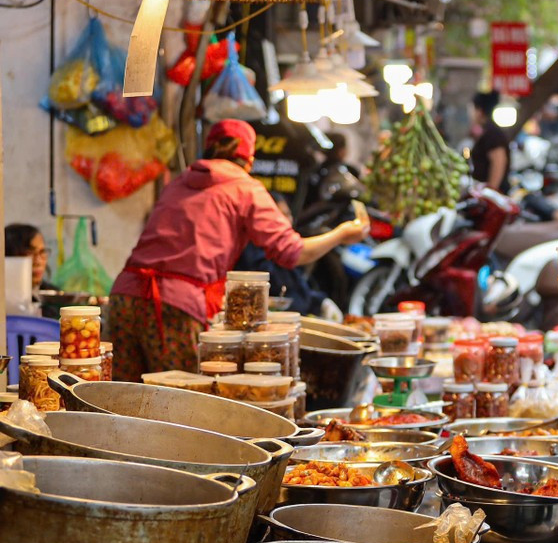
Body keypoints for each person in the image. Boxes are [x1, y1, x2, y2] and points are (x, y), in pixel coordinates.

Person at [108, 119, 369, 381]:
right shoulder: (245, 187)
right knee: (178, 402)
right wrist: (342, 234)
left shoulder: (179, 182)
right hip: (172, 308)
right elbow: (293, 253)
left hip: (124, 296)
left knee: (125, 399)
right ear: (249, 157)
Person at [4, 224, 57, 316]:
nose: (38, 261)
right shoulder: (5, 301)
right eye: (30, 253)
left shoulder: (52, 297)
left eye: (42, 252)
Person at [469, 90, 511, 194]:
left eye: (472, 109)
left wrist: (490, 192)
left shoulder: (492, 134)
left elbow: (498, 163)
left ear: (479, 111)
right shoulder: (487, 131)